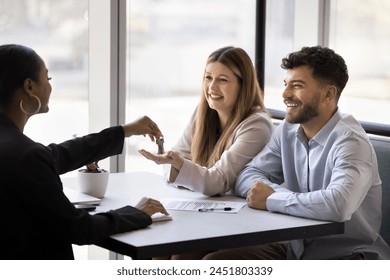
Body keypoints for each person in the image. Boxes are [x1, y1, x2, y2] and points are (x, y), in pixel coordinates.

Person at [203, 46, 390, 260]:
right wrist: (276, 196)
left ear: (328, 94)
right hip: (296, 250)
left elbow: (338, 205)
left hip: (345, 257)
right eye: (285, 84)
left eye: (297, 86)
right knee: (211, 261)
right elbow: (246, 175)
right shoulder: (288, 129)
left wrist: (272, 199)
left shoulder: (350, 141)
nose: (285, 94)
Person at [0, 44, 168, 260]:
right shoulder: (27, 156)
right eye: (48, 79)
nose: (50, 87)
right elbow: (79, 228)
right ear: (30, 86)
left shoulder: (19, 151)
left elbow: (56, 156)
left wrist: (124, 131)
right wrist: (137, 212)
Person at [139, 46, 273, 197]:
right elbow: (176, 158)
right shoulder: (203, 112)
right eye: (208, 77)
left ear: (243, 86)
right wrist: (174, 162)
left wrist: (178, 165)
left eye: (222, 80)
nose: (212, 87)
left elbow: (218, 182)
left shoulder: (257, 126)